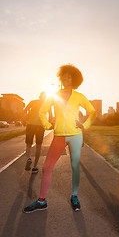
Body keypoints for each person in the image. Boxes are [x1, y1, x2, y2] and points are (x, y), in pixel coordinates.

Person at [23, 64, 97, 213]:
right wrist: (47, 124)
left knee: (75, 166)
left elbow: (92, 112)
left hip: (76, 135)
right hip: (59, 136)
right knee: (46, 168)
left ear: (74, 79)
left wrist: (84, 125)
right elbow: (42, 112)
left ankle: (74, 196)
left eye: (69, 76)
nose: (65, 78)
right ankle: (42, 201)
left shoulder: (79, 96)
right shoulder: (54, 95)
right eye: (63, 76)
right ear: (61, 77)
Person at [21, 91, 53, 174]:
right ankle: (35, 167)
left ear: (39, 96)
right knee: (38, 146)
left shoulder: (33, 102)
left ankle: (28, 158)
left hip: (30, 125)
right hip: (40, 126)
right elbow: (51, 116)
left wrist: (24, 119)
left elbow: (25, 111)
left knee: (28, 144)